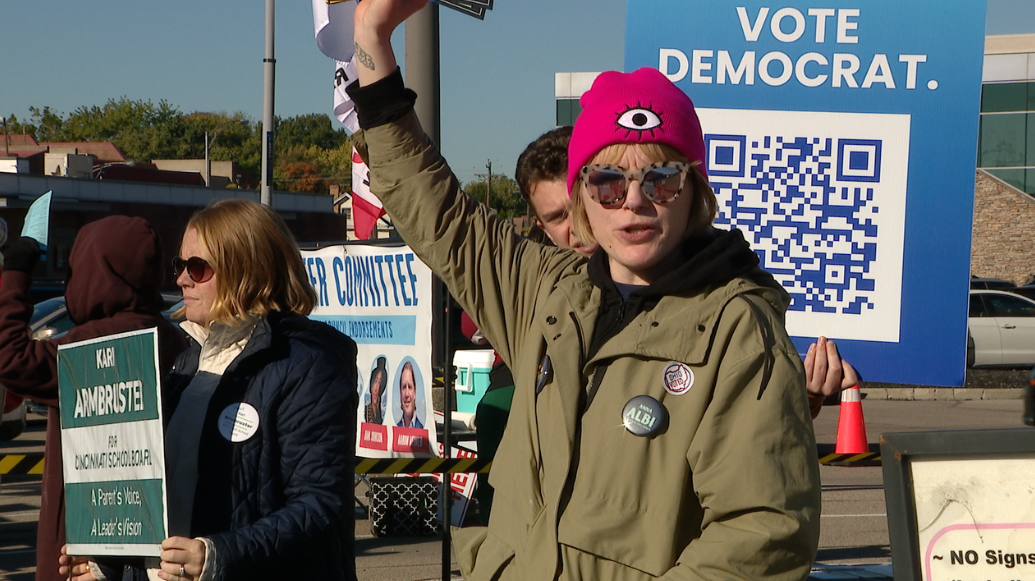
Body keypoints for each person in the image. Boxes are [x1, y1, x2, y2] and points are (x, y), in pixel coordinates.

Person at [349, 2, 820, 579]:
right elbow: (435, 209)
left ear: (696, 191)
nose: (635, 201)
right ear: (580, 197)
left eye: (662, 177)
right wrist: (372, 36)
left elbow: (762, 533)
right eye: (608, 180)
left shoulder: (737, 328)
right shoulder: (548, 293)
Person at [60, 198, 359, 581]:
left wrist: (217, 556)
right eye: (179, 265)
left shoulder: (307, 366)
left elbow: (321, 508)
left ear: (246, 270)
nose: (181, 279)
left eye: (197, 267)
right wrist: (107, 561)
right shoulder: (187, 363)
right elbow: (156, 505)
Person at [0, 216, 189, 581]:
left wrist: (16, 275)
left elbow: (9, 357)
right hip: (155, 547)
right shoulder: (173, 339)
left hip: (77, 553)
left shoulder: (86, 349)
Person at [396, 359, 423, 428]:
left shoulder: (422, 429)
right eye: (404, 387)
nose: (407, 394)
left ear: (415, 391)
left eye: (410, 387)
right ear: (400, 392)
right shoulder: (395, 428)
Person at [366, 356, 387, 424]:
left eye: (380, 382)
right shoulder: (365, 411)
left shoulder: (381, 414)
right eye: (375, 381)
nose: (376, 389)